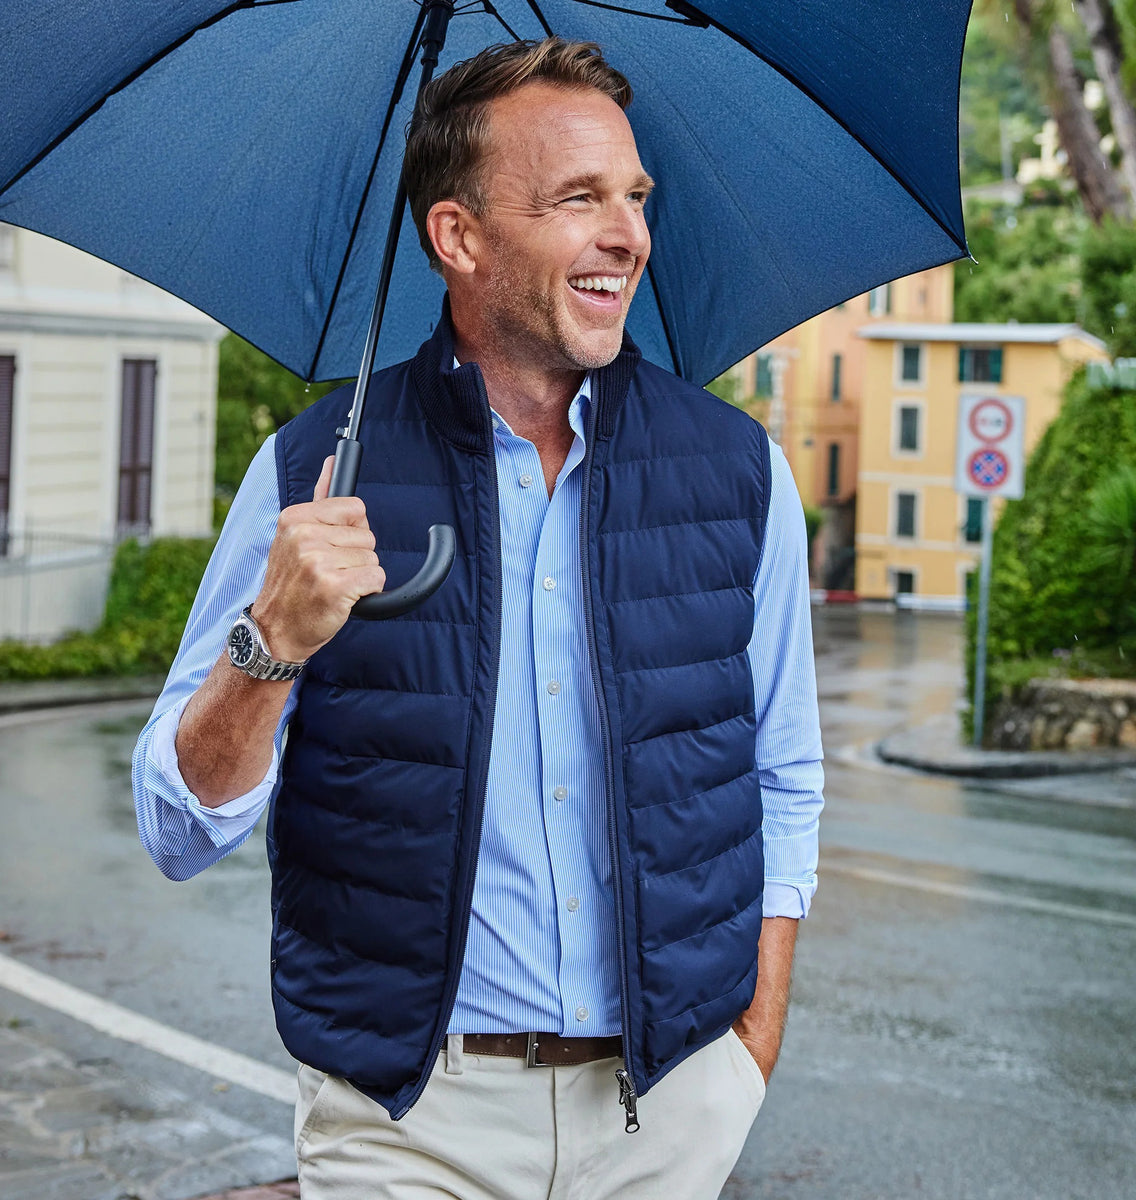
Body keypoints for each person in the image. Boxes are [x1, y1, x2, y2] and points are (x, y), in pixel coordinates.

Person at [134, 36, 823, 1200]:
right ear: (458, 237)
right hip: (411, 1120)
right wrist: (268, 647)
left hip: (670, 1109)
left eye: (635, 197)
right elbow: (175, 828)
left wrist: (749, 1048)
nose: (629, 236)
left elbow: (784, 772)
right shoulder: (315, 473)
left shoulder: (740, 472)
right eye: (579, 200)